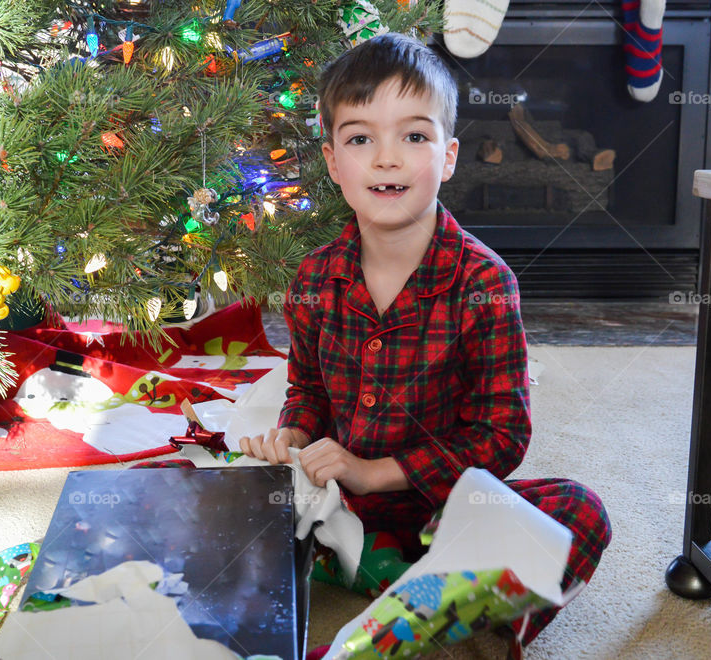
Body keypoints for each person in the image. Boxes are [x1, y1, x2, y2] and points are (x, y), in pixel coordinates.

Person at [238, 32, 611, 654]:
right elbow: (306, 389)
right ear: (333, 162)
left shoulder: (485, 283)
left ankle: (440, 628)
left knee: (579, 511)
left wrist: (375, 472)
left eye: (414, 136)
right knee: (219, 497)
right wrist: (295, 436)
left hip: (444, 512)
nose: (388, 159)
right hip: (339, 513)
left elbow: (501, 435)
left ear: (450, 155)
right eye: (361, 138)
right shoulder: (312, 279)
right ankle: (400, 588)